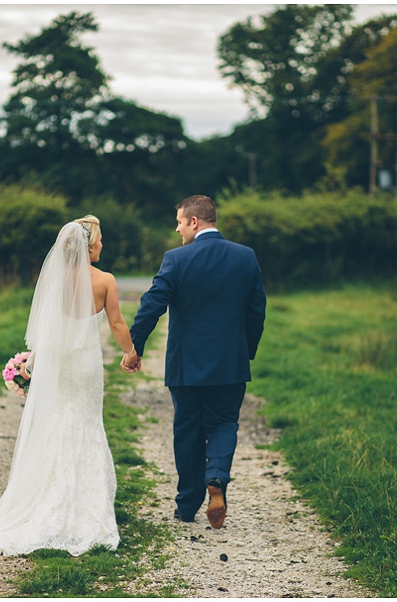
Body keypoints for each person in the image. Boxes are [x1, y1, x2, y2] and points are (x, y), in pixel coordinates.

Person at [0, 215, 138, 557]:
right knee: (86, 421)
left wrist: (33, 361)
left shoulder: (54, 281)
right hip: (86, 365)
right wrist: (132, 352)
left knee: (58, 420)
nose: (103, 245)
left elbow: (45, 327)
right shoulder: (104, 280)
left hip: (58, 364)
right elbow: (117, 322)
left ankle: (47, 497)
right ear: (89, 246)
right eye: (100, 240)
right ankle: (85, 505)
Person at [122, 195, 266, 529]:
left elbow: (151, 304)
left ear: (195, 222)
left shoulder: (176, 259)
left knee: (187, 431)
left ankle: (187, 506)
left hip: (186, 366)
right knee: (224, 423)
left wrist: (135, 346)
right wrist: (246, 350)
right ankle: (216, 478)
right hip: (230, 363)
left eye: (180, 222)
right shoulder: (246, 257)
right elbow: (256, 309)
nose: (177, 229)